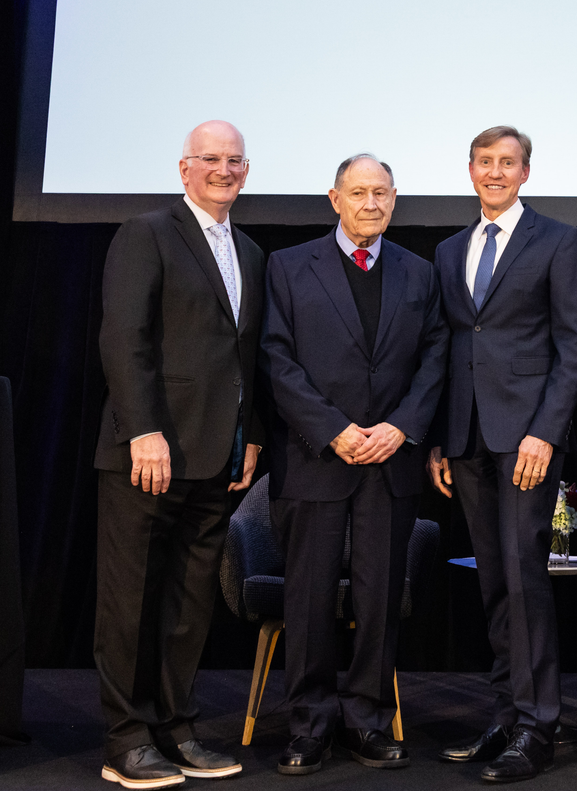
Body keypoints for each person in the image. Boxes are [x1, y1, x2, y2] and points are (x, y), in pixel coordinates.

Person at [261, 154, 449, 775]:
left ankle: (367, 720)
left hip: (389, 463)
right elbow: (275, 359)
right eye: (359, 193)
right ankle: (309, 725)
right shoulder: (288, 267)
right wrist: (333, 430)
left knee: (377, 598)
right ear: (334, 199)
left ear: (395, 200)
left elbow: (434, 358)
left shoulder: (419, 274)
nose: (371, 204)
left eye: (382, 194)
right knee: (309, 600)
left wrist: (400, 428)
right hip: (315, 459)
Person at [94, 121, 266, 789]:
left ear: (246, 172)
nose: (223, 169)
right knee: (130, 600)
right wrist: (142, 429)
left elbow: (242, 355)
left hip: (216, 454)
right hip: (149, 452)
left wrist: (250, 437)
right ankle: (126, 739)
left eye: (234, 160)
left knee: (190, 603)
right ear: (184, 168)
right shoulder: (147, 233)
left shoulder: (248, 249)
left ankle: (176, 727)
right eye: (210, 159)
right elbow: (124, 335)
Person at [428, 127, 577, 783]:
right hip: (467, 438)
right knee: (493, 581)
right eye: (485, 162)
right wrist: (441, 436)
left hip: (527, 442)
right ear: (470, 169)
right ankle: (504, 713)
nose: (495, 172)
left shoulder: (558, 240)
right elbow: (446, 346)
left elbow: (573, 345)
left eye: (507, 163)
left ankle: (538, 725)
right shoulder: (448, 249)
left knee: (525, 579)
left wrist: (545, 432)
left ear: (526, 171)